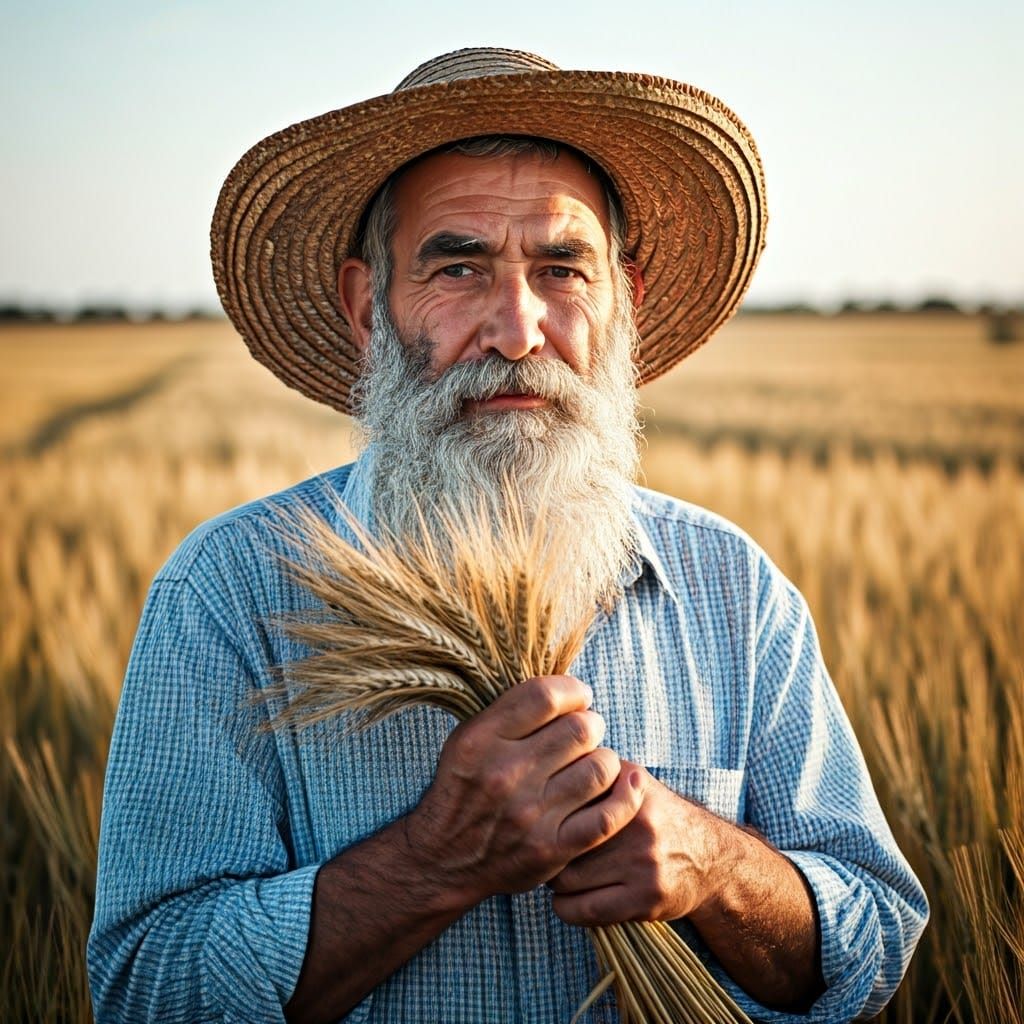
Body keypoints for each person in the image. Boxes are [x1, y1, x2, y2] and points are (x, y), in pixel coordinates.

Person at [88, 48, 928, 1023]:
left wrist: (713, 865)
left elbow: (873, 944)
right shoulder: (230, 592)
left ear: (626, 302)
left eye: (561, 269)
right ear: (369, 309)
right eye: (458, 267)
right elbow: (146, 986)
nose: (518, 328)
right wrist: (432, 861)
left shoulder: (730, 587)